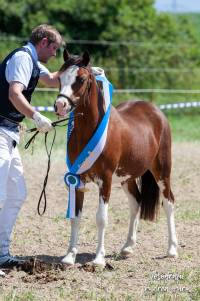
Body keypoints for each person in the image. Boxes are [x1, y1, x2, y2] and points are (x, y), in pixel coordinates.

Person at [0, 24, 63, 268]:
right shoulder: (22, 59)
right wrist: (36, 116)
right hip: (1, 132)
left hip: (10, 134)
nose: (55, 54)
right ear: (44, 41)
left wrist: (83, 70)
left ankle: (2, 254)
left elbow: (52, 79)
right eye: (55, 48)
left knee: (17, 194)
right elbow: (15, 94)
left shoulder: (34, 62)